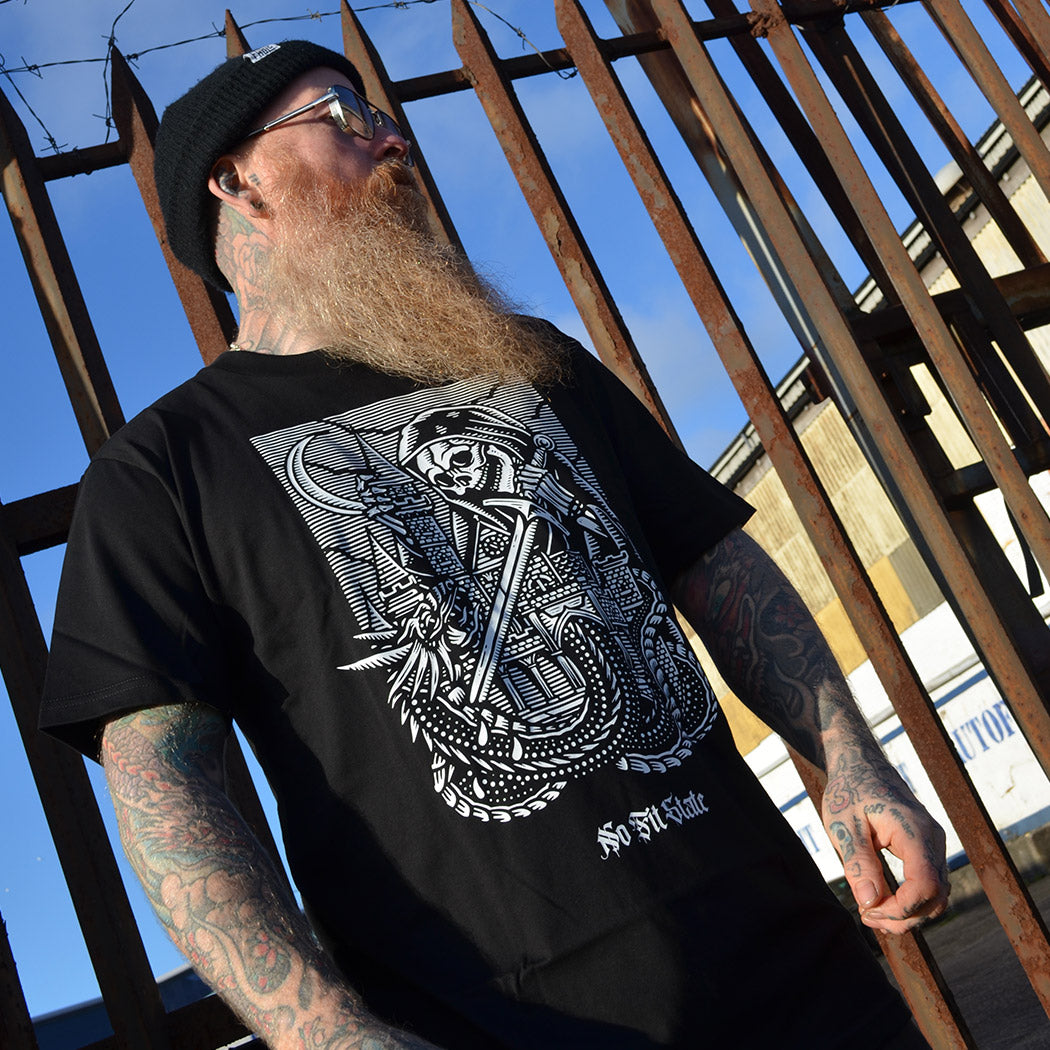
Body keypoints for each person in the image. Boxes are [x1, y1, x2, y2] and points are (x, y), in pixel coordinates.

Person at [39, 39, 949, 1050]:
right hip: (510, 1026)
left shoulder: (530, 362)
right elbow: (164, 783)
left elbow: (719, 570)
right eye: (341, 114)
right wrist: (325, 1033)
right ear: (236, 181)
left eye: (379, 110)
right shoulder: (164, 470)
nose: (390, 133)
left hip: (803, 977)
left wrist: (855, 765)